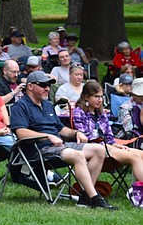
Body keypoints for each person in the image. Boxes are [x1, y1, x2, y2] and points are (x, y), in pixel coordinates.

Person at [9, 71, 111, 209]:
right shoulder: (20, 106)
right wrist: (47, 136)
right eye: (43, 85)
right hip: (38, 150)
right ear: (30, 86)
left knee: (99, 150)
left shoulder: (47, 105)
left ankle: (85, 196)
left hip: (58, 146)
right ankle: (94, 198)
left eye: (48, 86)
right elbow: (21, 133)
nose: (47, 88)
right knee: (78, 155)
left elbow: (60, 128)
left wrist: (76, 132)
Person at [70, 80, 143, 184]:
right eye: (96, 97)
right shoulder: (79, 112)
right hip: (94, 150)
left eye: (101, 96)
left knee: (141, 154)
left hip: (108, 147)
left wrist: (116, 145)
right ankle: (140, 192)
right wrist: (111, 146)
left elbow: (109, 136)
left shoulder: (101, 112)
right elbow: (87, 139)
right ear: (86, 97)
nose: (100, 100)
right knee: (135, 157)